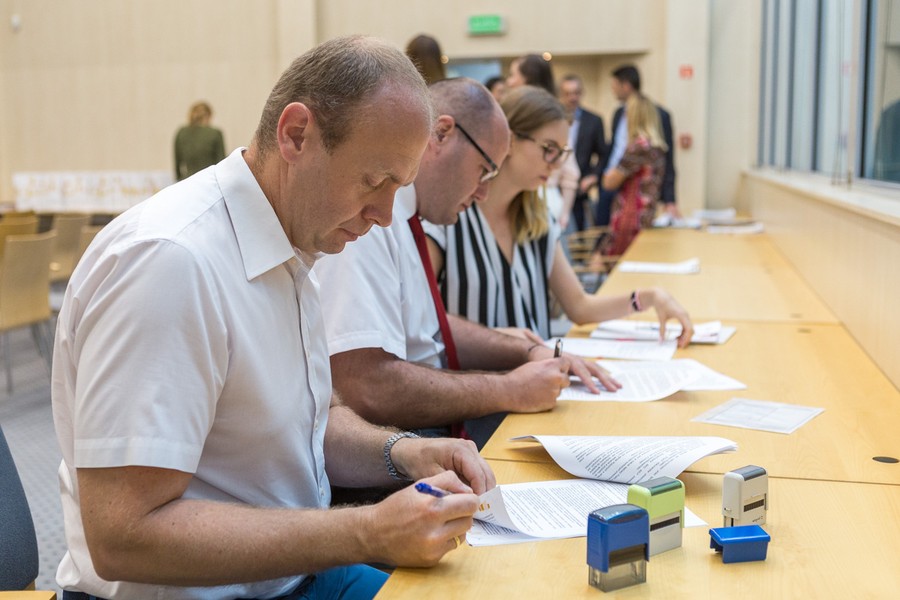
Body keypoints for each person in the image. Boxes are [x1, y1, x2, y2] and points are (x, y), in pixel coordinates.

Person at [52, 36, 495, 600]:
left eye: (398, 188)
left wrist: (403, 453)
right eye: (373, 181)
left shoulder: (291, 241)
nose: (385, 216)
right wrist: (365, 531)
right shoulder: (171, 263)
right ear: (296, 135)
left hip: (295, 577)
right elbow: (123, 535)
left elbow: (298, 426)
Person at [315, 78, 612, 449]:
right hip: (406, 445)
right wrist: (508, 389)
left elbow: (431, 329)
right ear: (442, 134)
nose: (483, 191)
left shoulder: (410, 217)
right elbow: (365, 386)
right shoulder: (372, 222)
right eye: (483, 170)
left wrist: (526, 351)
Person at [426, 85, 692, 345]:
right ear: (510, 140)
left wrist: (649, 297)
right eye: (548, 149)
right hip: (479, 374)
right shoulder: (446, 216)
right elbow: (424, 322)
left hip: (541, 370)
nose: (555, 165)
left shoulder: (538, 220)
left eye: (562, 153)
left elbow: (579, 306)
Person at [596, 64, 677, 226]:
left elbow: (669, 162)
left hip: (630, 203)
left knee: (609, 236)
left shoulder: (639, 146)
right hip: (634, 198)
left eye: (615, 85)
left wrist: (670, 200)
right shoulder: (653, 145)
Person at [506, 54, 579, 228]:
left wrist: (564, 214)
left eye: (513, 75)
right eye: (549, 148)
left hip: (545, 204)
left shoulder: (553, 119)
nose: (509, 82)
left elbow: (570, 174)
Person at [601, 93, 669, 256]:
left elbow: (609, 182)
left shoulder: (637, 148)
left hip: (629, 218)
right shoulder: (658, 147)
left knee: (618, 263)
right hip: (646, 215)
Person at [559, 74, 608, 232]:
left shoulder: (594, 121)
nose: (572, 97)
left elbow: (603, 154)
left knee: (579, 232)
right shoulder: (554, 119)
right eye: (568, 93)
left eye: (576, 93)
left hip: (580, 188)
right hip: (557, 186)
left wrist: (593, 176)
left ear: (582, 93)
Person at [173, 101, 226, 181]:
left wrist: (180, 181)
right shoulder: (215, 133)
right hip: (209, 180)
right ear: (208, 116)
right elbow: (221, 163)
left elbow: (177, 164)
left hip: (188, 180)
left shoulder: (181, 133)